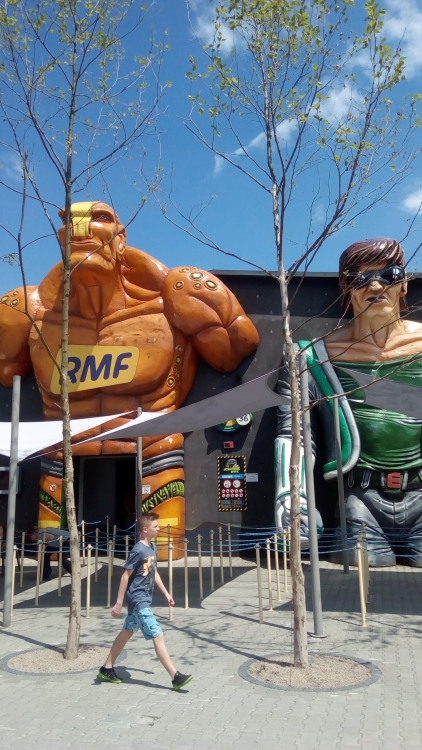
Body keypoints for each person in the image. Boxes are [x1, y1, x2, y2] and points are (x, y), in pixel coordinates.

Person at [98, 511, 193, 690]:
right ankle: (175, 677)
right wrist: (118, 603)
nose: (159, 528)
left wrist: (166, 593)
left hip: (144, 598)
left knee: (127, 632)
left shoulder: (152, 548)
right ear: (145, 529)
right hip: (138, 599)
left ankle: (107, 668)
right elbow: (125, 576)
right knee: (158, 634)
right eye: (155, 526)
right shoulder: (138, 550)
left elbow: (153, 572)